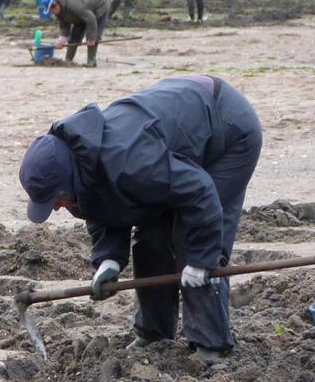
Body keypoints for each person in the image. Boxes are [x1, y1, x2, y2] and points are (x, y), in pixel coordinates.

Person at [18, 75, 262, 360]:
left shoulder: (131, 161)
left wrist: (201, 261)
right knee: (151, 239)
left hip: (227, 130)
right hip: (175, 140)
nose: (57, 208)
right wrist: (108, 259)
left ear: (67, 180)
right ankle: (154, 333)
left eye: (54, 199)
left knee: (191, 237)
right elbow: (102, 206)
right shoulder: (81, 164)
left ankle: (211, 344)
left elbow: (200, 193)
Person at [38, 0, 109, 67]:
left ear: (55, 4)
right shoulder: (59, 8)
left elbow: (91, 19)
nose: (52, 12)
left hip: (99, 4)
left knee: (93, 36)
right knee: (74, 36)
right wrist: (62, 39)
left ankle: (91, 62)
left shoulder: (74, 5)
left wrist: (92, 37)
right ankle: (68, 61)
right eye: (50, 11)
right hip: (83, 12)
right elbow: (64, 24)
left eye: (52, 9)